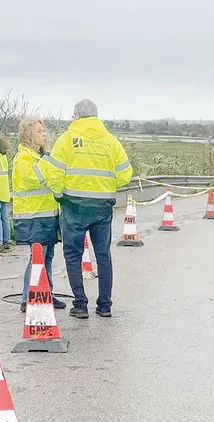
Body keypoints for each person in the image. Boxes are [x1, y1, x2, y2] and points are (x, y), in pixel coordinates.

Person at [45, 99, 134, 319]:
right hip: (102, 205)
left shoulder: (66, 140)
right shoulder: (110, 141)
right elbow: (125, 174)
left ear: (76, 115)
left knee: (73, 255)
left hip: (74, 205)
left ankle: (80, 304)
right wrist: (105, 186)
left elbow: (52, 173)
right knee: (103, 255)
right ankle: (105, 305)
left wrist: (59, 195)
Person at [11, 117, 68, 313]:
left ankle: (46, 293)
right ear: (28, 135)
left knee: (48, 256)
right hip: (32, 217)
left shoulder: (40, 156)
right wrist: (49, 162)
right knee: (37, 258)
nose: (44, 134)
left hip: (46, 215)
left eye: (44, 131)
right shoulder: (24, 158)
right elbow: (34, 179)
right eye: (39, 131)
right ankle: (28, 298)